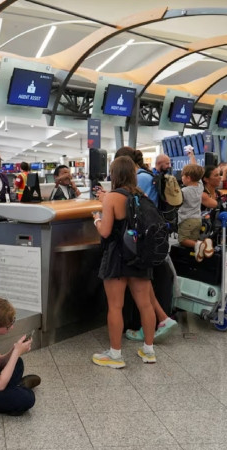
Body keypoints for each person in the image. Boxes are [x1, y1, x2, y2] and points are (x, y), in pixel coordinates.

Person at [91, 155, 157, 368]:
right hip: (140, 257)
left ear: (114, 174)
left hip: (117, 257)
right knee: (145, 304)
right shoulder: (142, 195)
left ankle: (115, 355)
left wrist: (97, 220)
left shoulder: (112, 197)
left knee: (115, 306)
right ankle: (148, 351)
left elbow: (106, 231)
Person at [178, 163, 214, 262]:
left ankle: (201, 244)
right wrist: (192, 157)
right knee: (192, 240)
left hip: (186, 220)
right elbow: (198, 176)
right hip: (197, 219)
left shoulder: (184, 191)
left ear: (188, 178)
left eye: (183, 176)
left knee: (183, 240)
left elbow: (175, 201)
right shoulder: (200, 187)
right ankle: (199, 249)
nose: (182, 178)